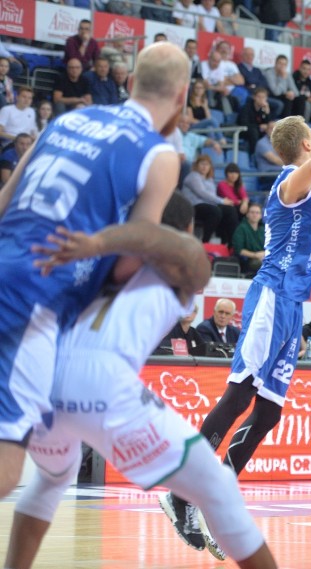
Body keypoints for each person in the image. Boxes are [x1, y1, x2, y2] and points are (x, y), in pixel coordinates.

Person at [159, 39, 311, 545]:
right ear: (306, 146)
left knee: (269, 409)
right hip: (270, 297)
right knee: (240, 392)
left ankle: (219, 486)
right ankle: (182, 491)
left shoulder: (309, 168)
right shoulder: (292, 181)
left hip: (293, 304)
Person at [6, 195, 277, 568]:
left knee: (53, 478)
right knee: (218, 487)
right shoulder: (179, 268)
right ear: (184, 232)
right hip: (99, 384)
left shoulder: (88, 252)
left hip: (40, 381)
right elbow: (196, 267)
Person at [0, 42, 189, 500]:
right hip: (32, 295)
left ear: (128, 83)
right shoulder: (159, 155)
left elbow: (6, 202)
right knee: (7, 466)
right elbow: (128, 259)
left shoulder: (64, 120)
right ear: (183, 97)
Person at [232, 202, 265, 276]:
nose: (255, 215)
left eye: (257, 213)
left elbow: (271, 246)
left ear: (261, 216)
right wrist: (255, 255)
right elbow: (239, 250)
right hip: (247, 260)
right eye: (252, 212)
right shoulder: (241, 228)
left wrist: (263, 254)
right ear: (247, 214)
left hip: (263, 257)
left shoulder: (264, 229)